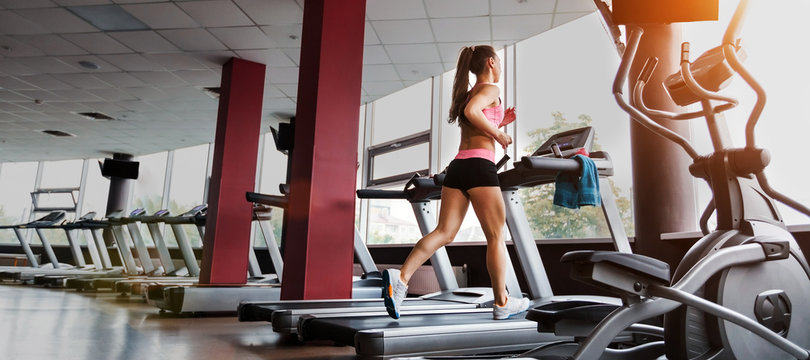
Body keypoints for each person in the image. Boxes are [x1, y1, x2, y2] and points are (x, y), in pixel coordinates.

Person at [382, 45, 529, 320]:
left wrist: (500, 120)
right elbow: (475, 113)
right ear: (491, 62)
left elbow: (474, 119)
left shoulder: (468, 92)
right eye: (499, 61)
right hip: (479, 166)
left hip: (458, 167)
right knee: (496, 236)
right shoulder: (490, 90)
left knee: (444, 233)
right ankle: (502, 302)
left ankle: (400, 279)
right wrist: (498, 133)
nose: (500, 66)